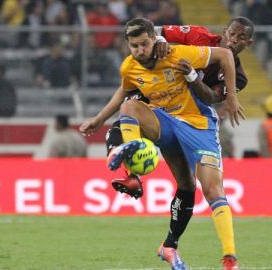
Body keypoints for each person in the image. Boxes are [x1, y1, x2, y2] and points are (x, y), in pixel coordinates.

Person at [79, 18, 244, 270]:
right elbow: (124, 91)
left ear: (152, 41)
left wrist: (231, 98)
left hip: (197, 122)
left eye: (144, 44)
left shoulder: (180, 53)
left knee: (206, 188)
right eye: (134, 46)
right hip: (165, 121)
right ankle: (132, 173)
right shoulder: (129, 67)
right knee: (130, 107)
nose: (140, 50)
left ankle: (227, 256)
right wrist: (99, 119)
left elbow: (225, 57)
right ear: (128, 45)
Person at [107, 17, 254, 192]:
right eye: (232, 33)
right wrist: (160, 40)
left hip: (190, 113)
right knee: (125, 114)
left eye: (242, 37)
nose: (234, 39)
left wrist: (195, 78)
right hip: (160, 89)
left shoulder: (239, 78)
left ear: (249, 43)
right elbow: (157, 29)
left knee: (187, 183)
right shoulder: (198, 35)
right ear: (224, 31)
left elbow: (211, 98)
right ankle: (130, 174)